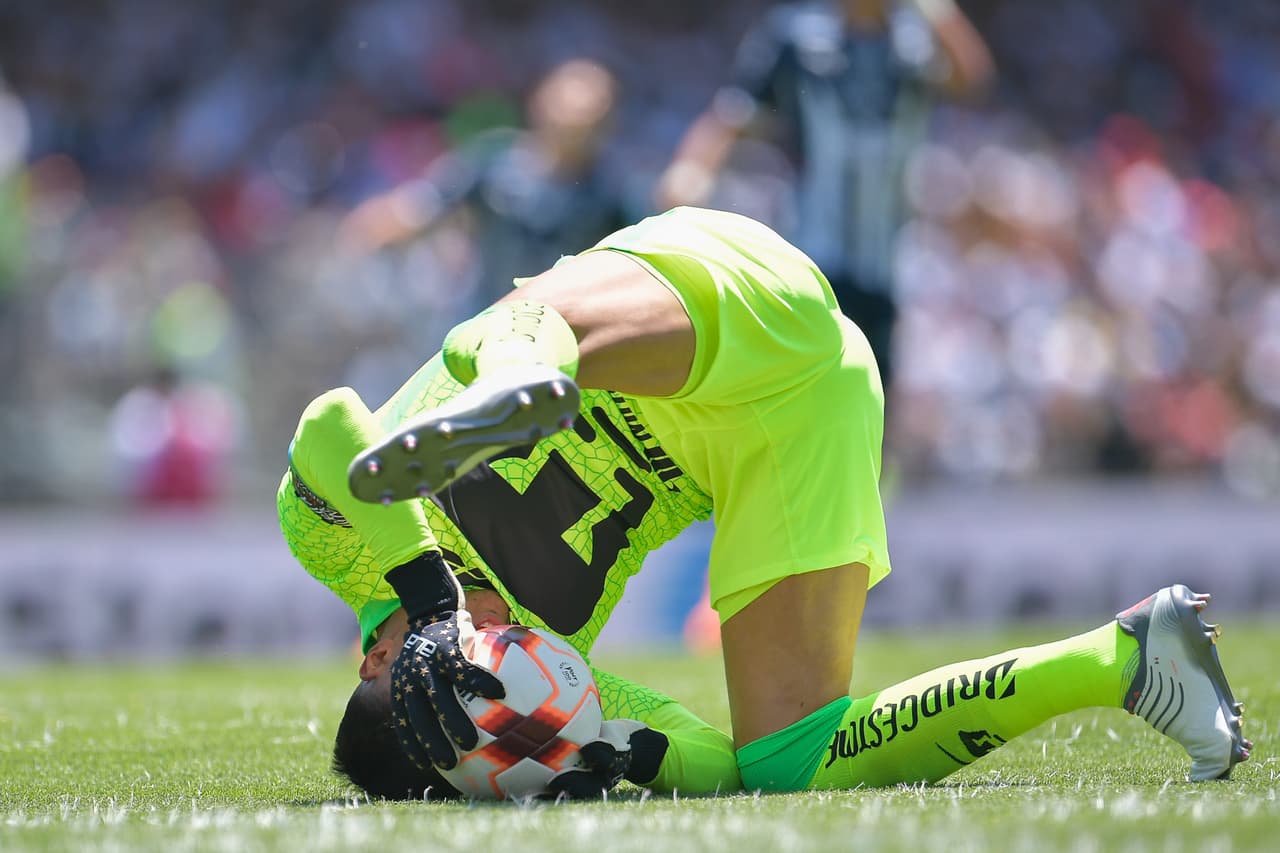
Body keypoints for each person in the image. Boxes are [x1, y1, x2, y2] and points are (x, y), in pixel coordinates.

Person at [279, 206, 1250, 800]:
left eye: (448, 666)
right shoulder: (536, 684)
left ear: (374, 650)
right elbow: (711, 760)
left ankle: (518, 375)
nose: (491, 659)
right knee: (788, 758)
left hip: (702, 304)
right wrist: (590, 750)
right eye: (483, 698)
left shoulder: (341, 550)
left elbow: (328, 422)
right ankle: (1121, 657)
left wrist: (431, 592)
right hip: (799, 418)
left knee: (496, 332)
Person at [655, 0, 993, 393]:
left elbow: (973, 79)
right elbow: (733, 113)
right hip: (813, 253)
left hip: (886, 260)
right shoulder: (797, 36)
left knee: (869, 395)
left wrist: (932, 9)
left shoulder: (916, 41)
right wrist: (692, 168)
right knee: (804, 384)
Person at [339, 57, 631, 314]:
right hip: (483, 325)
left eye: (592, 113)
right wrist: (365, 234)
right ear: (540, 103)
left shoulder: (609, 195)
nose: (577, 119)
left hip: (561, 337)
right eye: (568, 106)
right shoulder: (494, 162)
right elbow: (419, 208)